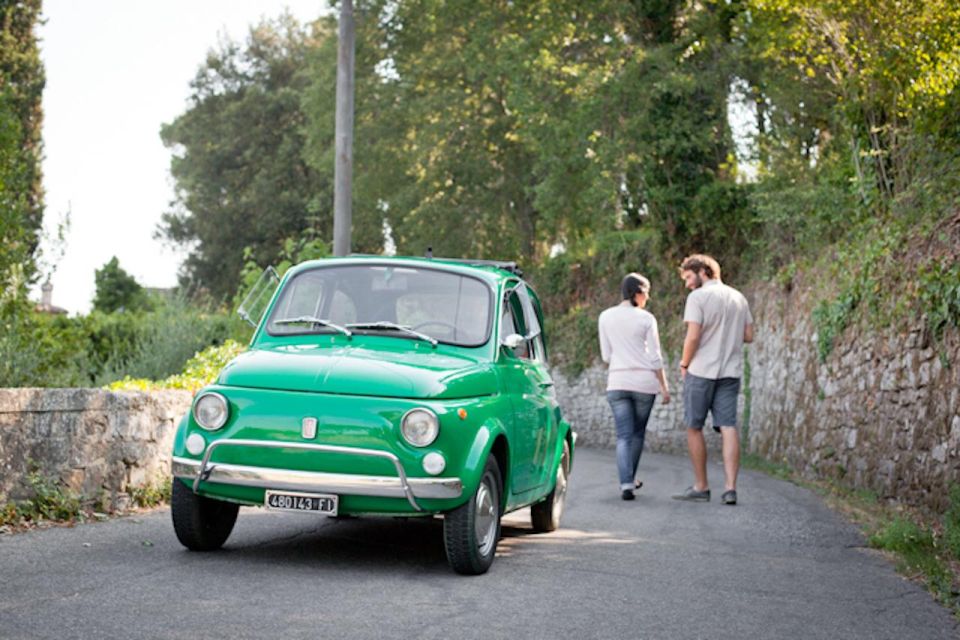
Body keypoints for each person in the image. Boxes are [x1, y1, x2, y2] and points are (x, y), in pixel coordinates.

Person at [672, 254, 753, 506]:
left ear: (703, 271)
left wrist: (684, 363)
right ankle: (730, 489)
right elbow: (749, 335)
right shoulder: (738, 297)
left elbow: (693, 336)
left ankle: (701, 486)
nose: (687, 284)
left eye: (688, 277)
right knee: (728, 426)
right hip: (730, 371)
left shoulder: (698, 297)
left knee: (694, 426)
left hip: (700, 371)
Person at [598, 273, 671, 501]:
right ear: (637, 293)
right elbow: (655, 357)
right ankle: (629, 480)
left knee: (623, 436)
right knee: (637, 434)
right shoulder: (646, 319)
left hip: (617, 383)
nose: (647, 298)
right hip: (643, 384)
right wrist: (664, 386)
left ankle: (627, 483)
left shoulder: (605, 316)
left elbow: (606, 355)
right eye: (646, 293)